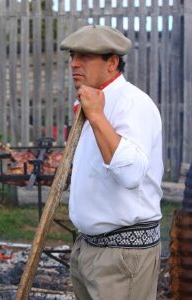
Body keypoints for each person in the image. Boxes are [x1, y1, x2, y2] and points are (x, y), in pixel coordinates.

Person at [59, 25, 164, 300]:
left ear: (112, 62)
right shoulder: (91, 102)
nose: (74, 64)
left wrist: (96, 116)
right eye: (72, 56)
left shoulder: (133, 104)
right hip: (89, 249)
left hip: (122, 257)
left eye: (85, 56)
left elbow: (131, 175)